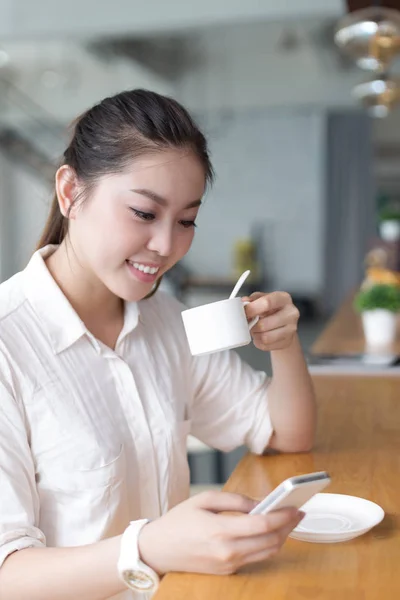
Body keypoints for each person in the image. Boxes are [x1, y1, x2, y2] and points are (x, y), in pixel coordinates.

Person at [0, 89, 316, 600]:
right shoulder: (8, 345)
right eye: (145, 213)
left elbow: (285, 433)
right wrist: (147, 548)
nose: (167, 246)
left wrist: (283, 344)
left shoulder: (165, 318)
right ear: (69, 193)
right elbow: (6, 575)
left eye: (187, 220)